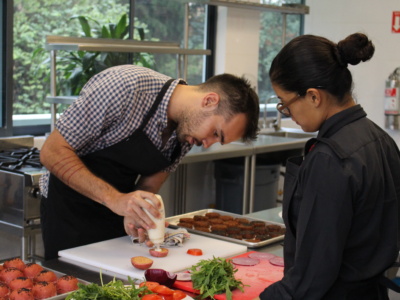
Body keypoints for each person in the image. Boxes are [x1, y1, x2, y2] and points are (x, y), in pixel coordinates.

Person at [39, 65, 259, 260]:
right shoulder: (125, 87)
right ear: (209, 101)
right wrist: (114, 199)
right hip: (69, 211)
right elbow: (52, 151)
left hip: (116, 212)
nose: (207, 144)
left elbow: (148, 186)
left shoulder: (186, 133)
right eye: (215, 133)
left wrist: (141, 217)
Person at [255, 33, 400, 299]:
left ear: (313, 96)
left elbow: (312, 276)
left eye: (285, 104)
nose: (287, 113)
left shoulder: (330, 159)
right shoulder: (381, 139)